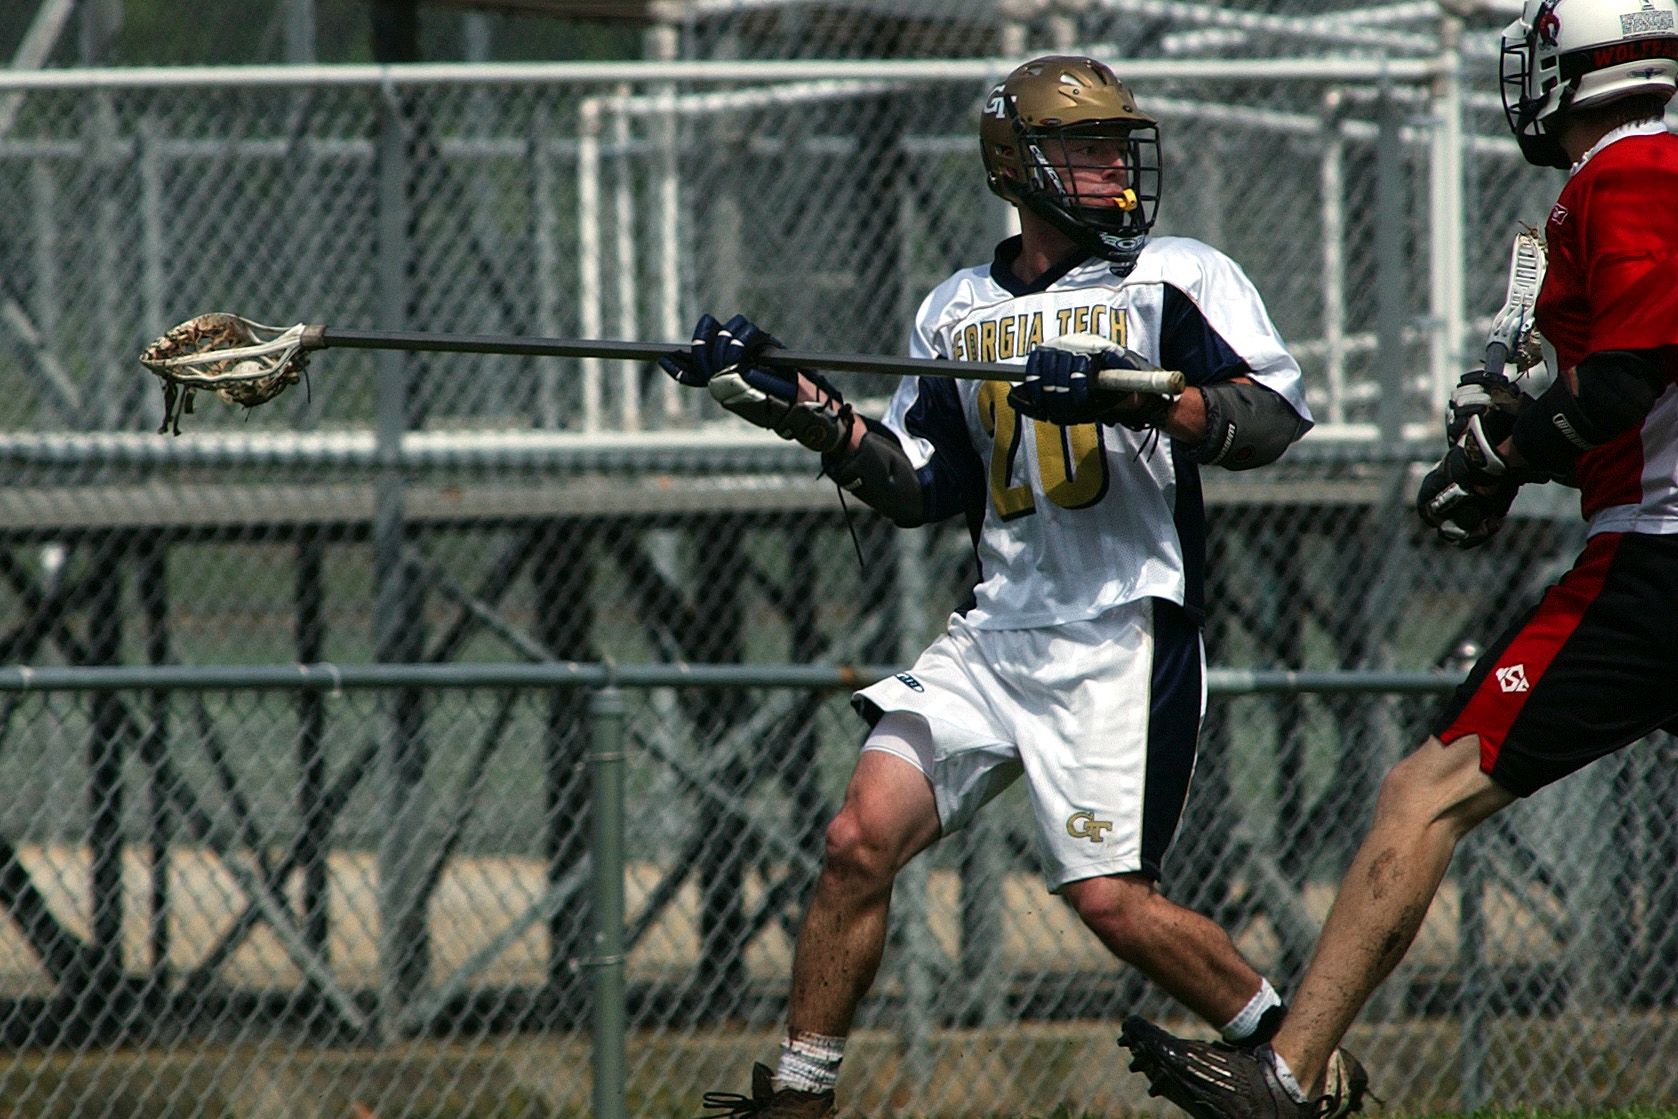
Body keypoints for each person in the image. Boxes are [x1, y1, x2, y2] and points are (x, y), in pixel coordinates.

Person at [664, 56, 1363, 1119]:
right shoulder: (954, 308)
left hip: (1116, 632)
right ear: (1017, 166)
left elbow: (1269, 416)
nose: (1113, 169)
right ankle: (800, 1098)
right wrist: (800, 404)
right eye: (1085, 150)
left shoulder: (1173, 275)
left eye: (1117, 147)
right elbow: (919, 483)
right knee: (856, 839)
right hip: (994, 633)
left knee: (1110, 902)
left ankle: (1295, 1059)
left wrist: (1132, 394)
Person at [1119, 2, 1678, 1116]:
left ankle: (1284, 1075)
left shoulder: (1630, 171)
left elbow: (1625, 380)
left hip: (1657, 560)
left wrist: (1506, 453)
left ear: (1581, 64)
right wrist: (1517, 449)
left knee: (1423, 792)